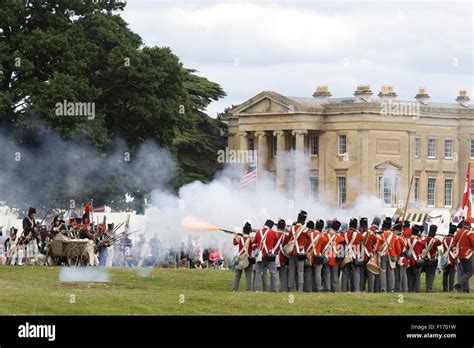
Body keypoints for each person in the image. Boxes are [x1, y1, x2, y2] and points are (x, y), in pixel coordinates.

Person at [253, 219, 279, 292]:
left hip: (260, 256)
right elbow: (276, 240)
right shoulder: (272, 232)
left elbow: (254, 242)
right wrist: (271, 248)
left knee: (258, 273)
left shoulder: (258, 232)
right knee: (273, 273)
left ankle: (256, 289)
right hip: (269, 255)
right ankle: (274, 289)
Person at [287, 210, 308, 292]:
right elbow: (308, 237)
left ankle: (290, 288)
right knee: (300, 271)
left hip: (292, 252)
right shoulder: (304, 229)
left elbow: (289, 239)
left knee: (291, 271)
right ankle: (300, 289)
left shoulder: (292, 229)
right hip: (300, 253)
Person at [341, 218, 363, 292]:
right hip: (355, 255)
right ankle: (356, 290)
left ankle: (344, 290)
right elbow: (362, 240)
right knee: (356, 273)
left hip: (346, 255)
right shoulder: (358, 234)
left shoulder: (344, 233)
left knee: (345, 274)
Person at [321, 220, 344, 292]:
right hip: (335, 258)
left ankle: (327, 288)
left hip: (327, 257)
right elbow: (343, 240)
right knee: (334, 275)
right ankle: (334, 289)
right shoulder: (339, 237)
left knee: (326, 275)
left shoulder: (325, 235)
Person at [453, 219, 473, 293]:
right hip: (467, 254)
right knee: (470, 272)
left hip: (460, 255)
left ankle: (465, 289)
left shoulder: (457, 233)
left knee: (464, 272)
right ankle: (459, 284)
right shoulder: (469, 233)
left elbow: (454, 244)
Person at [232, 222, 253, 291]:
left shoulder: (240, 238)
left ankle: (234, 289)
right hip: (248, 259)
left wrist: (235, 236)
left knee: (237, 275)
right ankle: (248, 289)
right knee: (248, 275)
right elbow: (254, 247)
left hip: (240, 258)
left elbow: (234, 243)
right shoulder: (251, 239)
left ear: (243, 230)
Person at [360, 217, 378, 292]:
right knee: (370, 275)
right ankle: (370, 290)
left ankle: (361, 288)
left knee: (361, 274)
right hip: (369, 256)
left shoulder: (359, 233)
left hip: (361, 256)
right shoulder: (371, 234)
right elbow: (375, 241)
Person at [422, 224, 442, 292]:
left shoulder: (425, 239)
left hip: (426, 259)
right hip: (432, 259)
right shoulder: (435, 240)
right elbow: (440, 242)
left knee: (427, 274)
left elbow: (422, 245)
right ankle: (429, 288)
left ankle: (427, 287)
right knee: (431, 275)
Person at [407, 224, 424, 292]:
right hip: (416, 260)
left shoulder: (407, 240)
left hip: (409, 260)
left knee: (410, 276)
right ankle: (417, 290)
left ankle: (410, 289)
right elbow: (420, 250)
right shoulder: (418, 241)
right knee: (417, 277)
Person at [274, 219, 289, 292]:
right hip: (283, 257)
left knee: (274, 274)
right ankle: (284, 289)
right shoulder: (286, 236)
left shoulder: (274, 234)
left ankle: (275, 288)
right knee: (283, 275)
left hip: (275, 256)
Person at [442, 224, 457, 292]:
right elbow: (454, 250)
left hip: (445, 259)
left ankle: (445, 289)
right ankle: (451, 289)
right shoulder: (454, 240)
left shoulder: (444, 239)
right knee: (451, 276)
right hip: (451, 259)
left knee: (445, 275)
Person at [395, 222, 409, 292]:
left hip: (401, 258)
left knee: (400, 276)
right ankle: (405, 289)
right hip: (405, 258)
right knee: (404, 275)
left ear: (397, 230)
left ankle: (399, 289)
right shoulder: (403, 237)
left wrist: (398, 259)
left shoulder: (398, 238)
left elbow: (398, 251)